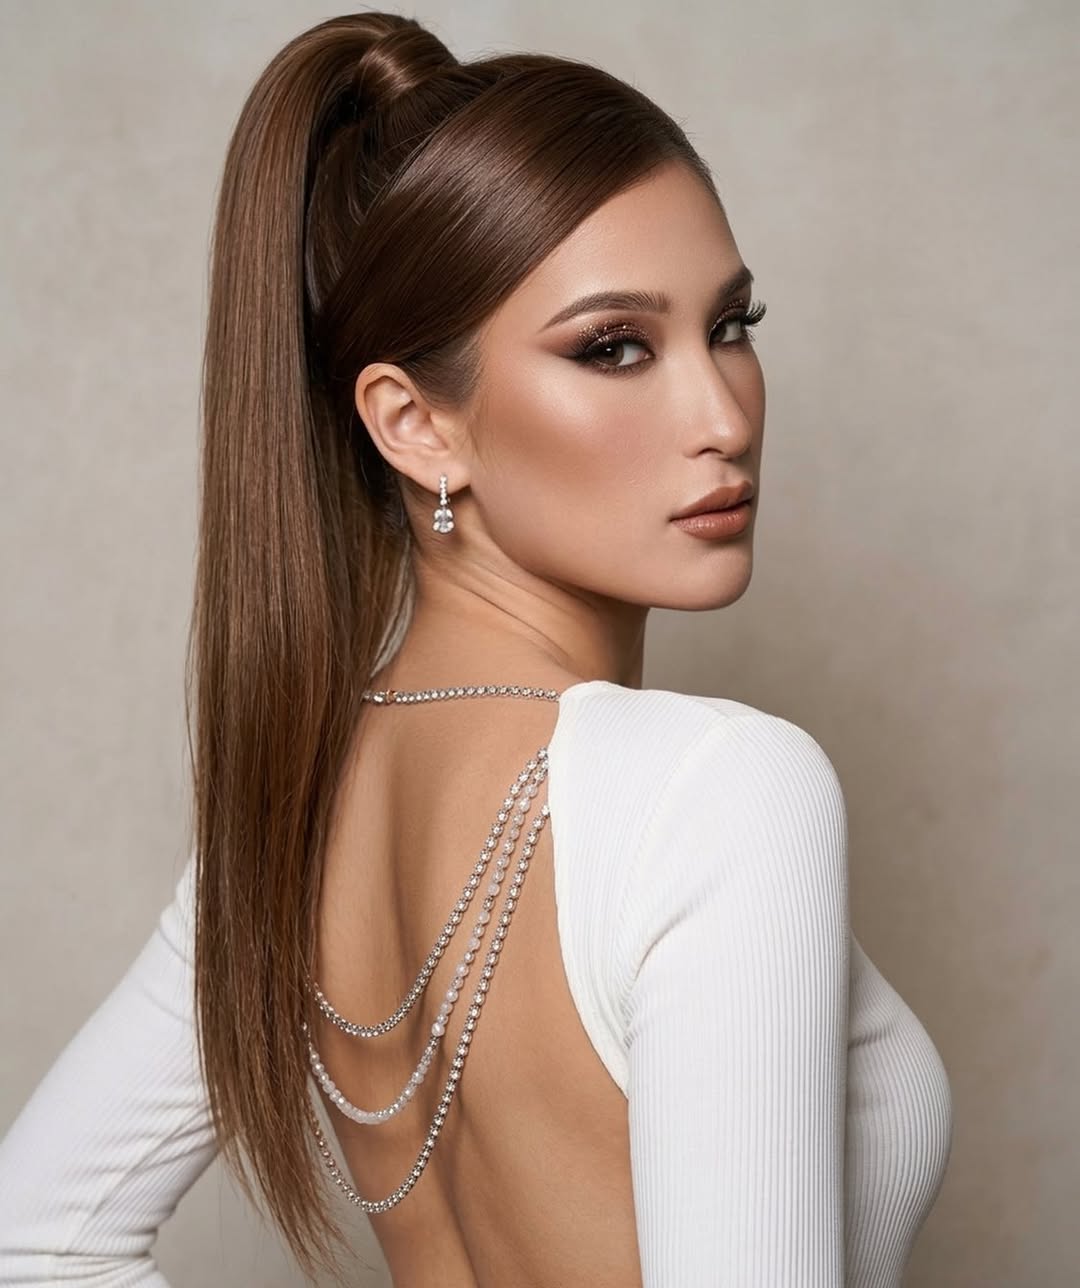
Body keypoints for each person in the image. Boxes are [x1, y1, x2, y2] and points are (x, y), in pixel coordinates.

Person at [0, 10, 954, 1286]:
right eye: (614, 347)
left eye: (732, 324)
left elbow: (34, 1238)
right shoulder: (720, 784)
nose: (723, 414)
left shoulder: (288, 826)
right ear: (416, 426)